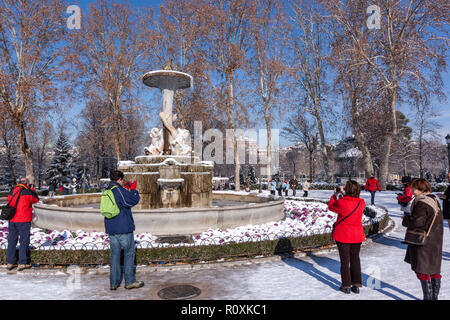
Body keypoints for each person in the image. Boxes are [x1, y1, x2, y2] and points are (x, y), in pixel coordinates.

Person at [402, 178, 443, 300]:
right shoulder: (433, 199)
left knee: (422, 270)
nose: (411, 190)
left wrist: (405, 220)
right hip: (435, 240)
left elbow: (418, 221)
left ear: (420, 189)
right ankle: (434, 297)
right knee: (433, 269)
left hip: (423, 241)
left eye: (413, 188)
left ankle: (428, 297)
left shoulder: (422, 202)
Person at [105, 170, 144, 291]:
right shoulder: (118, 190)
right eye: (123, 180)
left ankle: (114, 283)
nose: (123, 182)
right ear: (120, 180)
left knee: (115, 256)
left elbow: (119, 201)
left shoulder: (107, 190)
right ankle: (130, 281)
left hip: (112, 228)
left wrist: (125, 190)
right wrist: (133, 190)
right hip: (123, 228)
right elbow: (131, 201)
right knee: (128, 254)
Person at [328, 180, 365, 294]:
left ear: (347, 189)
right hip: (357, 235)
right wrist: (344, 194)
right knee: (355, 259)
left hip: (343, 235)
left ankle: (346, 285)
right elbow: (351, 201)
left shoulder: (342, 202)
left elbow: (331, 207)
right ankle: (356, 284)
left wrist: (335, 195)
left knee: (345, 261)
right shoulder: (361, 202)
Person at [6, 178, 40, 271]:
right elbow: (36, 199)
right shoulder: (27, 192)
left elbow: (8, 200)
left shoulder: (13, 190)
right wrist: (32, 189)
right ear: (27, 184)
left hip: (12, 219)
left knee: (12, 240)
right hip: (23, 220)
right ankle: (22, 263)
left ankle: (10, 262)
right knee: (24, 241)